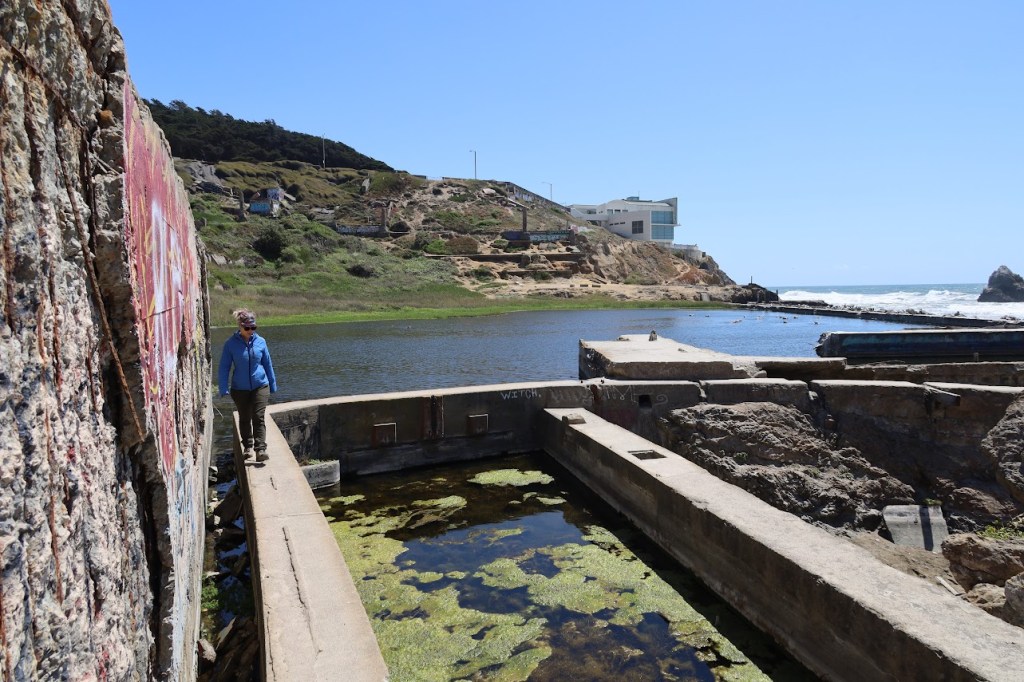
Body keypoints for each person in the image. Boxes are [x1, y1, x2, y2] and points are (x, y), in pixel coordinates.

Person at [218, 309, 277, 462]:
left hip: (260, 385)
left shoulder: (261, 342)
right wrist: (223, 387)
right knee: (244, 418)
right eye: (247, 328)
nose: (251, 330)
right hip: (239, 388)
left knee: (258, 416)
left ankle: (261, 449)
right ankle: (248, 447)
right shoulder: (230, 344)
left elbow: (267, 364)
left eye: (253, 327)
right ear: (240, 326)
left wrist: (273, 383)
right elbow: (224, 367)